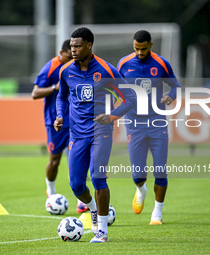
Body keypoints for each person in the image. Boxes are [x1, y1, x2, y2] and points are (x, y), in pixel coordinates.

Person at [55, 27, 137, 243]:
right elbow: (61, 97)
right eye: (71, 46)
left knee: (98, 176)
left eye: (78, 46)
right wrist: (60, 116)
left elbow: (130, 98)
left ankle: (102, 231)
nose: (73, 50)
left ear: (89, 46)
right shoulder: (65, 71)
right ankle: (92, 207)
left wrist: (110, 117)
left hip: (101, 131)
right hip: (77, 134)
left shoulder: (106, 70)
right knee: (76, 185)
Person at [117, 30, 181, 225]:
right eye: (136, 49)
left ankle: (157, 213)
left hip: (157, 123)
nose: (139, 53)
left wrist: (170, 96)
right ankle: (141, 189)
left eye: (143, 49)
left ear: (151, 45)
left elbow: (176, 86)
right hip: (134, 125)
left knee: (160, 171)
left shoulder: (161, 64)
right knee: (138, 175)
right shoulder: (124, 64)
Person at [32, 39, 88, 213]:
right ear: (61, 53)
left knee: (78, 161)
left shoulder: (78, 66)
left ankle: (82, 201)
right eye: (68, 55)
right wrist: (54, 87)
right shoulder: (51, 67)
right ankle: (51, 190)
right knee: (54, 161)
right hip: (54, 122)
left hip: (75, 122)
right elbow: (35, 93)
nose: (70, 59)